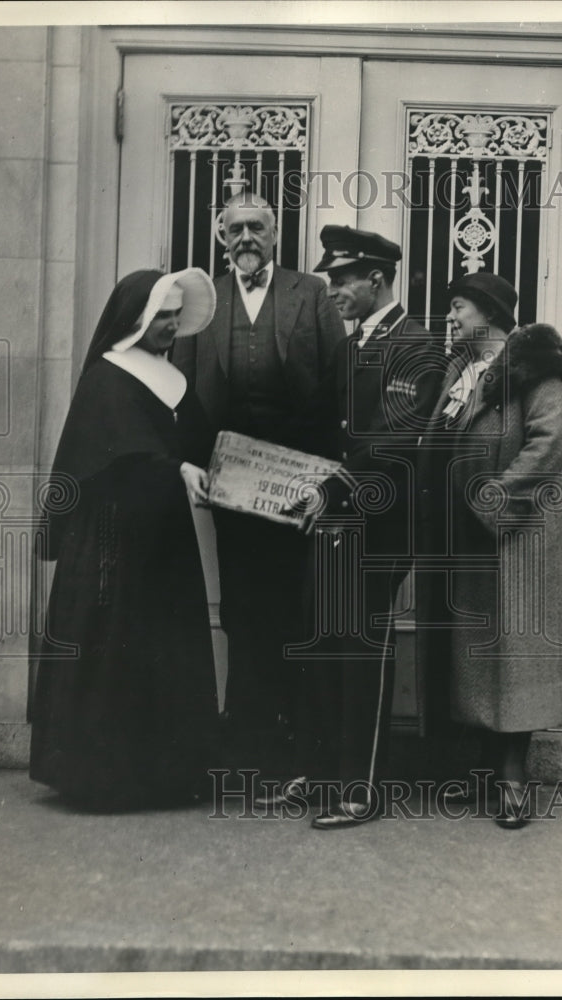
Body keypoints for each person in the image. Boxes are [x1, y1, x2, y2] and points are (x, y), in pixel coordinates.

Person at [29, 268, 220, 810]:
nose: (171, 325)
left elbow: (200, 444)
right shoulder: (107, 376)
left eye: (176, 315)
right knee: (114, 641)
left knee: (163, 641)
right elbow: (121, 453)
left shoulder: (172, 376)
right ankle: (102, 776)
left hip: (162, 535)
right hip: (112, 537)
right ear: (136, 318)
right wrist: (176, 468)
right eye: (162, 315)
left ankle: (166, 772)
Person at [171, 193, 344, 780]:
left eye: (257, 228)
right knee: (243, 607)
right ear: (222, 238)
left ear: (275, 235)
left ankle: (294, 738)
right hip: (231, 483)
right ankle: (245, 741)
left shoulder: (311, 292)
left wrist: (322, 476)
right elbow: (186, 390)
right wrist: (193, 464)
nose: (246, 238)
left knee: (295, 603)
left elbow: (334, 382)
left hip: (295, 483)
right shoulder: (205, 302)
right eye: (235, 229)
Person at [276, 225, 435, 830]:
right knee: (328, 643)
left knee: (362, 650)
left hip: (380, 525)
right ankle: (321, 776)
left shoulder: (415, 343)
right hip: (336, 520)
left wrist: (328, 487)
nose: (333, 291)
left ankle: (360, 790)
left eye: (342, 280)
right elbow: (326, 429)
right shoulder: (352, 344)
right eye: (330, 280)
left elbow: (395, 441)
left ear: (376, 279)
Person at [415, 271, 562, 828]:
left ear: (486, 314)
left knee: (512, 661)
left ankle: (514, 781)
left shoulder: (533, 368)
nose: (449, 317)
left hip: (515, 538)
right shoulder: (462, 373)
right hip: (469, 540)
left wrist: (492, 496)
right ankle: (486, 774)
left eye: (457, 307)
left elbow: (549, 442)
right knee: (481, 660)